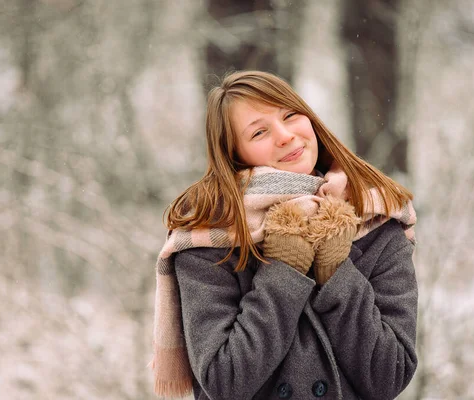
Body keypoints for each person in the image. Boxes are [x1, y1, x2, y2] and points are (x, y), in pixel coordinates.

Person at [151, 70, 418, 400]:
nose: (285, 136)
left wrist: (336, 274)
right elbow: (224, 382)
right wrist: (284, 271)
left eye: (290, 115)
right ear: (235, 154)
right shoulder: (209, 239)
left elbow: (390, 374)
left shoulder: (377, 222)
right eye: (260, 131)